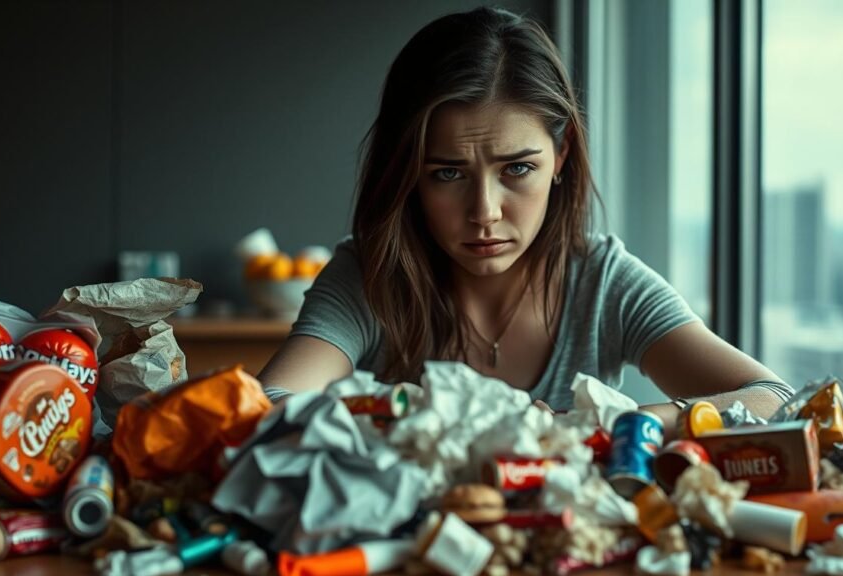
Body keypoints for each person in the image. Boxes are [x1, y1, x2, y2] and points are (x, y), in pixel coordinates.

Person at [258, 6, 792, 435]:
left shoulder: (602, 283)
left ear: (560, 158)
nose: (484, 212)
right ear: (408, 175)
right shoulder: (370, 277)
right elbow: (268, 405)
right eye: (447, 174)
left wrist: (626, 423)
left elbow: (778, 399)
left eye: (517, 168)